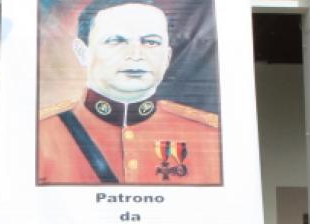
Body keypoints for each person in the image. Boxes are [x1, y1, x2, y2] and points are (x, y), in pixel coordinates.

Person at [38, 0, 221, 185]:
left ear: (167, 57)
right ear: (82, 52)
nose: (136, 55)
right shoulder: (40, 135)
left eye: (151, 42)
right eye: (116, 41)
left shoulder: (211, 136)